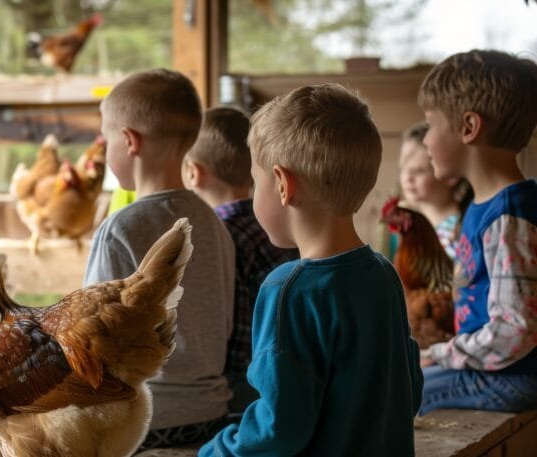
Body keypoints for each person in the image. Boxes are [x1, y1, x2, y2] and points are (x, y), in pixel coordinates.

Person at [199, 84, 422, 456]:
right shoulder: (383, 274)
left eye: (256, 183)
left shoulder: (289, 290)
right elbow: (409, 390)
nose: (254, 194)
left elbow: (278, 430)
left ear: (283, 185)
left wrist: (215, 451)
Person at [84, 68, 235, 449]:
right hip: (211, 415)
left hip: (142, 420)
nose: (105, 151)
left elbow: (91, 339)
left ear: (130, 141)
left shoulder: (120, 228)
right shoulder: (214, 223)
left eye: (106, 139)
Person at [416, 50, 537, 415]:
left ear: (469, 127)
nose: (424, 140)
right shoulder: (487, 206)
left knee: (392, 394)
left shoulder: (507, 216)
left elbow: (516, 329)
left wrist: (439, 354)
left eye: (429, 124)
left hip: (509, 377)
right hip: (495, 367)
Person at [182, 106, 299, 414]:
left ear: (193, 172)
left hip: (239, 381)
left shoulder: (216, 235)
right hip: (287, 371)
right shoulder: (278, 226)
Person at [399, 121, 472, 259]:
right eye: (403, 169)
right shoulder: (408, 222)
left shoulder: (457, 231)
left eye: (419, 171)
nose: (407, 177)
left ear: (451, 177)